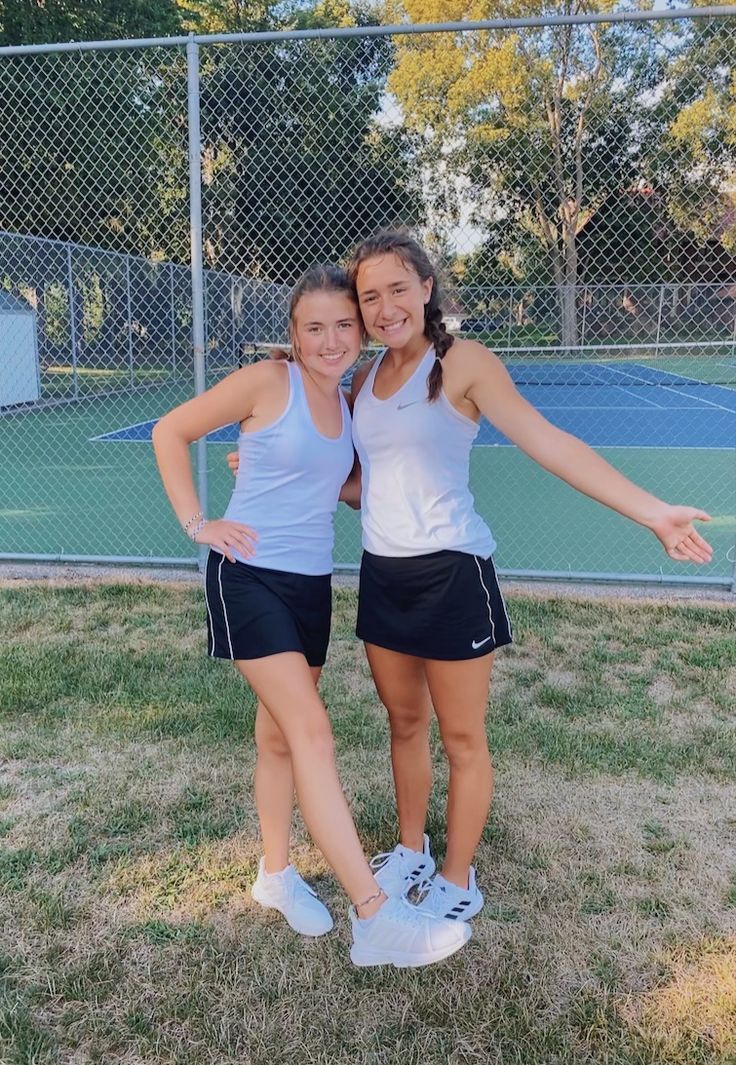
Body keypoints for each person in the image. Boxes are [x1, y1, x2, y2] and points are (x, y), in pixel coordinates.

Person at [344, 230, 713, 921]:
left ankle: (457, 877)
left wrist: (653, 511)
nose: (385, 306)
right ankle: (411, 849)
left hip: (453, 574)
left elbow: (550, 442)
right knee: (402, 723)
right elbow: (369, 484)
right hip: (381, 573)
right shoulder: (364, 379)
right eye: (370, 296)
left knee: (461, 737)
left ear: (426, 289)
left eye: (398, 288)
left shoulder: (465, 363)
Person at [152, 264, 471, 968]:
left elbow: (350, 483)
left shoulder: (353, 399)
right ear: (292, 336)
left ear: (359, 331)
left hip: (311, 586)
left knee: (278, 739)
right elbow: (170, 432)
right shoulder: (270, 382)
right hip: (249, 578)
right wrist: (198, 521)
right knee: (311, 731)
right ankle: (375, 917)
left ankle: (274, 873)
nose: (330, 340)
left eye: (342, 326)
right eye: (313, 328)